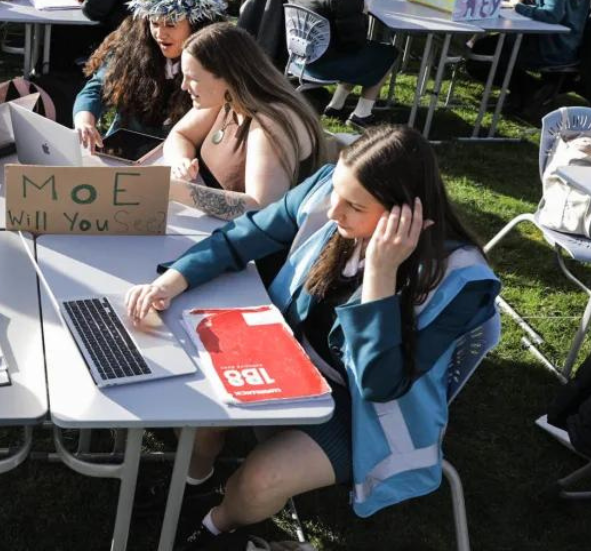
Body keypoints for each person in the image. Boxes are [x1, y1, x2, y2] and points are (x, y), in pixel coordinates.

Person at [125, 125, 500, 551]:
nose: (335, 210)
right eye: (337, 191)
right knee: (201, 402)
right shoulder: (331, 189)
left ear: (404, 215)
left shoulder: (462, 281)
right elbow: (247, 235)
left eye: (355, 206)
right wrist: (174, 280)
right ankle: (195, 481)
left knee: (259, 482)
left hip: (361, 411)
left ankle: (214, 526)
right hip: (288, 360)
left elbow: (379, 385)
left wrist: (380, 273)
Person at [163, 23, 327, 227]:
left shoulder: (270, 124)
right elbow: (180, 135)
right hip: (211, 226)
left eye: (193, 78)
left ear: (228, 77)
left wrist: (174, 190)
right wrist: (181, 162)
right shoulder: (225, 98)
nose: (184, 86)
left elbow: (260, 208)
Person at [73, 0, 227, 149]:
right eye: (154, 23)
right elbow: (95, 89)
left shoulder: (217, 64)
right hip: (124, 152)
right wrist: (84, 121)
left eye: (171, 24)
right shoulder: (133, 45)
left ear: (197, 24)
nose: (160, 34)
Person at [291, 0, 397, 127]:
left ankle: (336, 104)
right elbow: (355, 43)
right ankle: (362, 114)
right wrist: (363, 15)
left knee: (360, 51)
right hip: (322, 63)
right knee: (387, 53)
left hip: (302, 51)